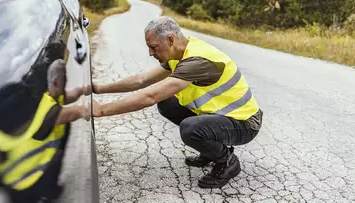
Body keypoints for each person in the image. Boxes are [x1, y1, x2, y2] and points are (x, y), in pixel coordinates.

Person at [91, 16, 263, 188]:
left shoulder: (197, 60)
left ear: (170, 40)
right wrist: (100, 88)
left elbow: (150, 96)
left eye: (153, 47)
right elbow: (141, 80)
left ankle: (227, 161)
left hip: (245, 123)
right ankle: (210, 150)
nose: (150, 53)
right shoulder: (180, 52)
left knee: (190, 128)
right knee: (167, 103)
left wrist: (102, 110)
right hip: (222, 117)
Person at [0, 59, 87, 202]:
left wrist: (86, 90)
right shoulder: (45, 107)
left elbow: (71, 95)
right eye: (64, 79)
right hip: (23, 185)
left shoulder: (46, 99)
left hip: (32, 177)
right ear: (54, 83)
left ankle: (50, 193)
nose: (67, 81)